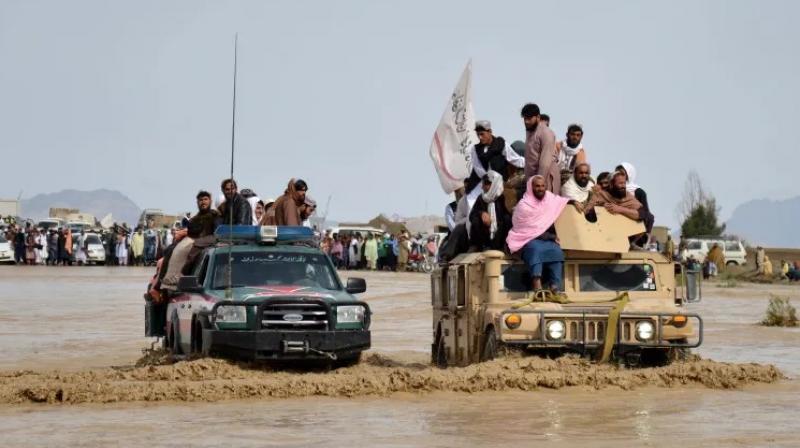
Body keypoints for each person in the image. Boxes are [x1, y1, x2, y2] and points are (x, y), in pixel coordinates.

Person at [506, 175, 569, 292]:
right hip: (525, 239)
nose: (540, 189)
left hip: (545, 239)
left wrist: (574, 202)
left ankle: (555, 287)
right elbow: (528, 229)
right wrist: (550, 236)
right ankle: (537, 286)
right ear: (531, 187)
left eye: (543, 186)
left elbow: (562, 201)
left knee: (556, 250)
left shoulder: (549, 198)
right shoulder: (524, 206)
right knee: (535, 249)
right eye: (537, 186)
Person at [466, 120, 525, 192]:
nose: (480, 137)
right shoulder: (475, 149)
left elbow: (515, 159)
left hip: (501, 183)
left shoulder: (500, 143)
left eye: (482, 134)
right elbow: (478, 168)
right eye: (478, 135)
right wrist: (488, 181)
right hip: (483, 185)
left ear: (490, 132)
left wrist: (530, 164)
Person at [521, 103, 560, 194]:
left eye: (529, 119)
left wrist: (538, 183)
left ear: (538, 117)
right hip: (533, 179)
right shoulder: (530, 130)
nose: (526, 121)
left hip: (545, 179)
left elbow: (545, 163)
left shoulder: (546, 133)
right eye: (525, 119)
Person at [468, 171, 511, 252]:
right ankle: (480, 245)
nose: (482, 187)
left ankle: (506, 245)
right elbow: (471, 215)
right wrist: (481, 213)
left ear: (494, 184)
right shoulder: (481, 198)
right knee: (476, 220)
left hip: (501, 235)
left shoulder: (504, 197)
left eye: (486, 184)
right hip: (486, 238)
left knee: (507, 218)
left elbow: (509, 214)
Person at [615, 162, 655, 237]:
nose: (619, 176)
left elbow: (645, 214)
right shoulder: (611, 190)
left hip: (633, 228)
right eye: (617, 173)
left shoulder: (638, 192)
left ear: (629, 174)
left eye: (622, 173)